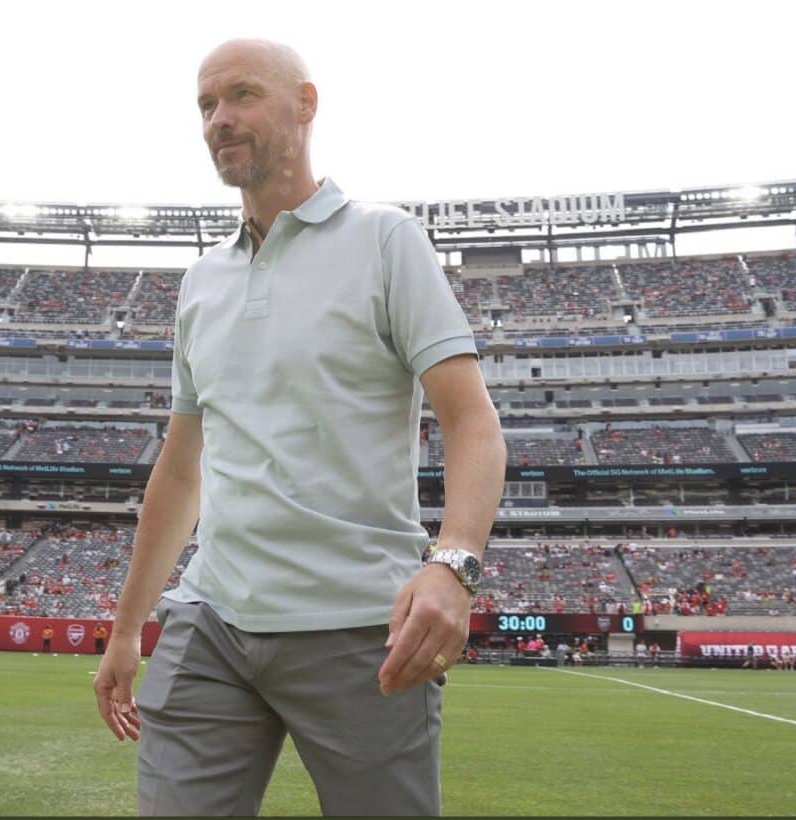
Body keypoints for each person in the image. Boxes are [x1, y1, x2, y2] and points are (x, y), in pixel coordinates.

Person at [92, 38, 506, 817]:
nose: (218, 119)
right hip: (210, 621)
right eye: (206, 105)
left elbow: (471, 418)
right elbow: (180, 470)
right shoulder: (201, 282)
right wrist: (125, 629)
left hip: (360, 625)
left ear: (306, 104)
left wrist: (454, 565)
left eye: (241, 95)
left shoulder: (385, 240)